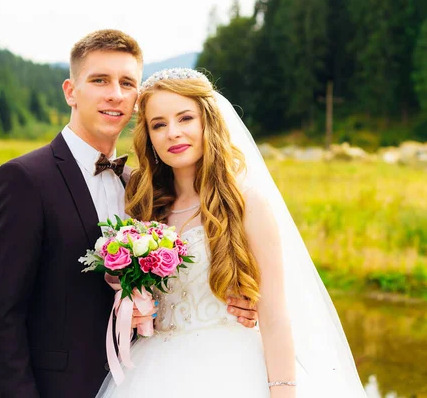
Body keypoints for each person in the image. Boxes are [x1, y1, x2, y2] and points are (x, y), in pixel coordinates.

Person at [0, 31, 257, 398]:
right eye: (99, 80)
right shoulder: (23, 179)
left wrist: (235, 301)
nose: (115, 94)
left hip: (143, 379)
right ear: (70, 91)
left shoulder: (143, 187)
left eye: (127, 83)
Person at [95, 68, 369, 398]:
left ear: (207, 122)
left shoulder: (247, 203)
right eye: (159, 124)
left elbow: (275, 317)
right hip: (155, 369)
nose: (173, 133)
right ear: (149, 136)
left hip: (231, 366)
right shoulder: (146, 208)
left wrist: (283, 393)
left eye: (185, 118)